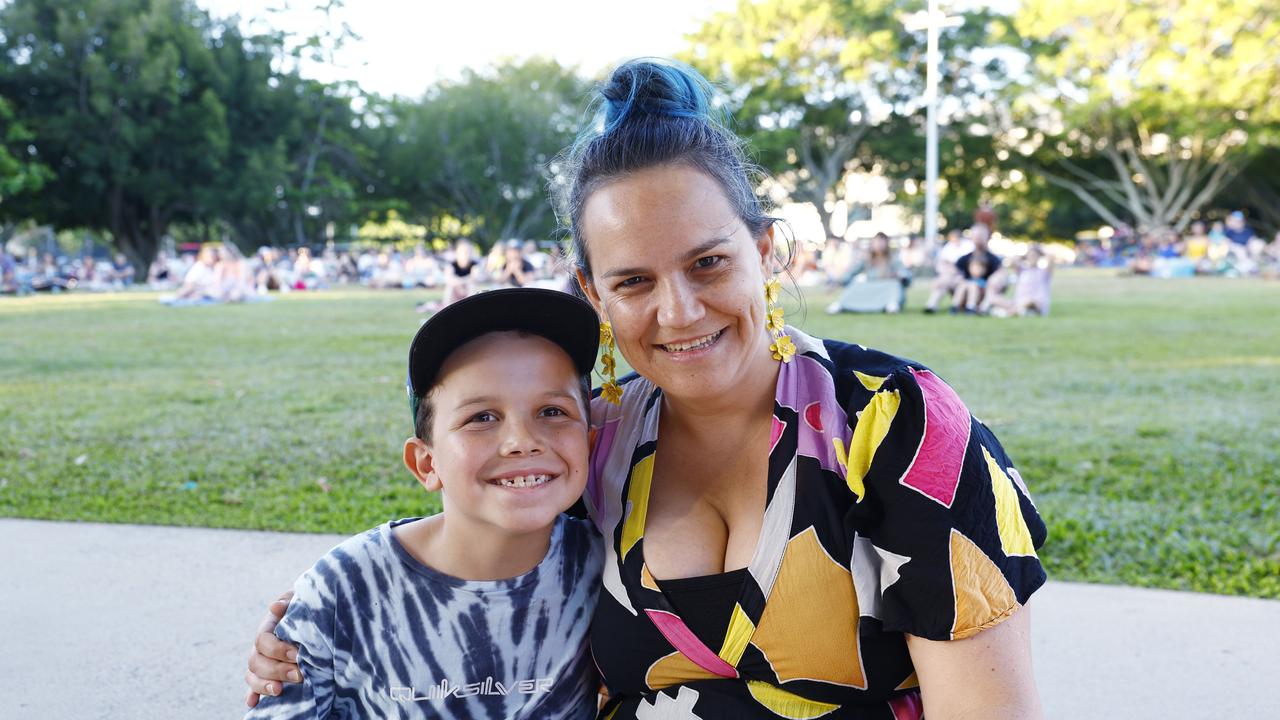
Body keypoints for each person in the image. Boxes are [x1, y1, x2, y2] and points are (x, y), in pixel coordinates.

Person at [246, 59, 1046, 719]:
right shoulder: (596, 442)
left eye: (708, 262)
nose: (679, 311)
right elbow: (477, 517)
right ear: (594, 297)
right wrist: (323, 614)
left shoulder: (895, 429)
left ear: (766, 251)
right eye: (633, 281)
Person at [245, 288, 604, 720]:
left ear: (588, 444)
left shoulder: (610, 569)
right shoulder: (344, 589)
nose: (521, 441)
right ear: (426, 463)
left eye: (551, 411)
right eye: (481, 417)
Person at [826, 232, 912, 313]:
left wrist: (901, 276)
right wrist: (838, 282)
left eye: (882, 241)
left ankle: (892, 304)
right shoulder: (866, 259)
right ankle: (841, 304)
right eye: (877, 241)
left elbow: (904, 272)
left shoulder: (894, 259)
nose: (879, 244)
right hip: (871, 286)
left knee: (895, 285)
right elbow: (851, 272)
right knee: (856, 285)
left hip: (887, 286)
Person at [952, 228, 1003, 313]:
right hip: (965, 289)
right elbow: (955, 270)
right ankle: (955, 305)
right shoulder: (965, 258)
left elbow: (1000, 271)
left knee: (973, 285)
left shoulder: (993, 259)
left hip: (981, 293)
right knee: (963, 284)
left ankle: (971, 306)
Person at [922, 229, 972, 313]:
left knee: (948, 281)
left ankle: (954, 306)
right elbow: (942, 264)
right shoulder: (948, 247)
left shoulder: (968, 246)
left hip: (963, 276)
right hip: (949, 276)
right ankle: (931, 305)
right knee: (942, 283)